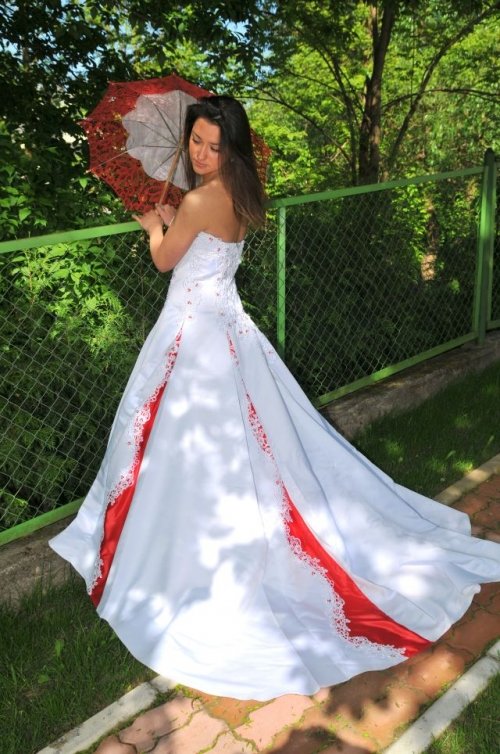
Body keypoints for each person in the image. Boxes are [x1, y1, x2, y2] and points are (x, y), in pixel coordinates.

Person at [50, 96, 500, 702]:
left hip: (191, 336)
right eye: (196, 141)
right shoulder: (239, 194)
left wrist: (154, 224)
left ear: (231, 148)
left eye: (214, 145)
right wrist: (177, 213)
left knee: (187, 446)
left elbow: (164, 262)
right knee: (241, 448)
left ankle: (176, 555)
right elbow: (207, 250)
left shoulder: (199, 200)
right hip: (227, 331)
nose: (201, 153)